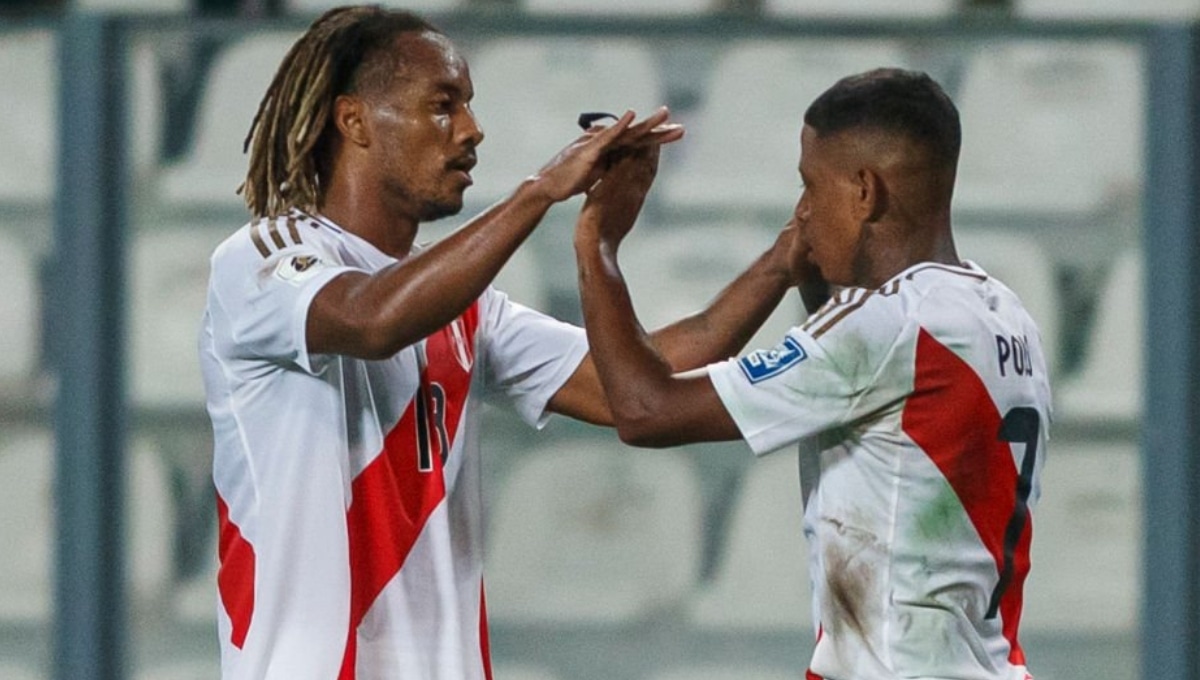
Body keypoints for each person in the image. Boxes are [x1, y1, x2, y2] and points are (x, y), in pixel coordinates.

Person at [199, 6, 803, 679]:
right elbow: (372, 320)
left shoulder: (464, 306)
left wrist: (780, 258)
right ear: (355, 121)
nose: (471, 129)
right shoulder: (261, 260)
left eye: (469, 104)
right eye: (443, 105)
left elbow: (641, 382)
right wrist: (538, 194)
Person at [574, 68, 1051, 680]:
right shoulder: (1006, 315)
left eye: (810, 186)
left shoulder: (885, 327)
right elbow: (867, 392)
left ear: (864, 192)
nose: (801, 212)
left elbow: (646, 411)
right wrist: (790, 267)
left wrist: (597, 241)